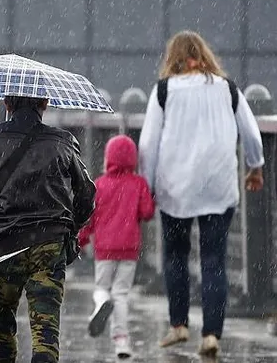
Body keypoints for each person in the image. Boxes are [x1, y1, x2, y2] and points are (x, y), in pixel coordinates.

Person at [139, 30, 265, 357]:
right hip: (218, 187)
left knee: (176, 257)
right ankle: (211, 335)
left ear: (174, 58)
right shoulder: (228, 89)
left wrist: (147, 185)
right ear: (204, 55)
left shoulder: (163, 91)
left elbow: (148, 144)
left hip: (174, 187)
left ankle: (179, 326)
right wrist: (256, 167)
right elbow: (251, 132)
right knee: (214, 261)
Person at [0, 96, 95, 362]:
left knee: (0, 333)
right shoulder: (63, 141)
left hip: (1, 246)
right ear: (44, 103)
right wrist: (72, 228)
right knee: (45, 333)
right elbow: (86, 195)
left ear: (7, 104)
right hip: (48, 244)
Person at [78, 135, 155, 359]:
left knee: (102, 287)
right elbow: (147, 212)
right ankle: (122, 342)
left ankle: (102, 302)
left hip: (104, 249)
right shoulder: (138, 183)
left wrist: (81, 240)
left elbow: (88, 218)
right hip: (129, 248)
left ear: (107, 158)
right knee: (121, 293)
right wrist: (150, 195)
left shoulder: (99, 185)